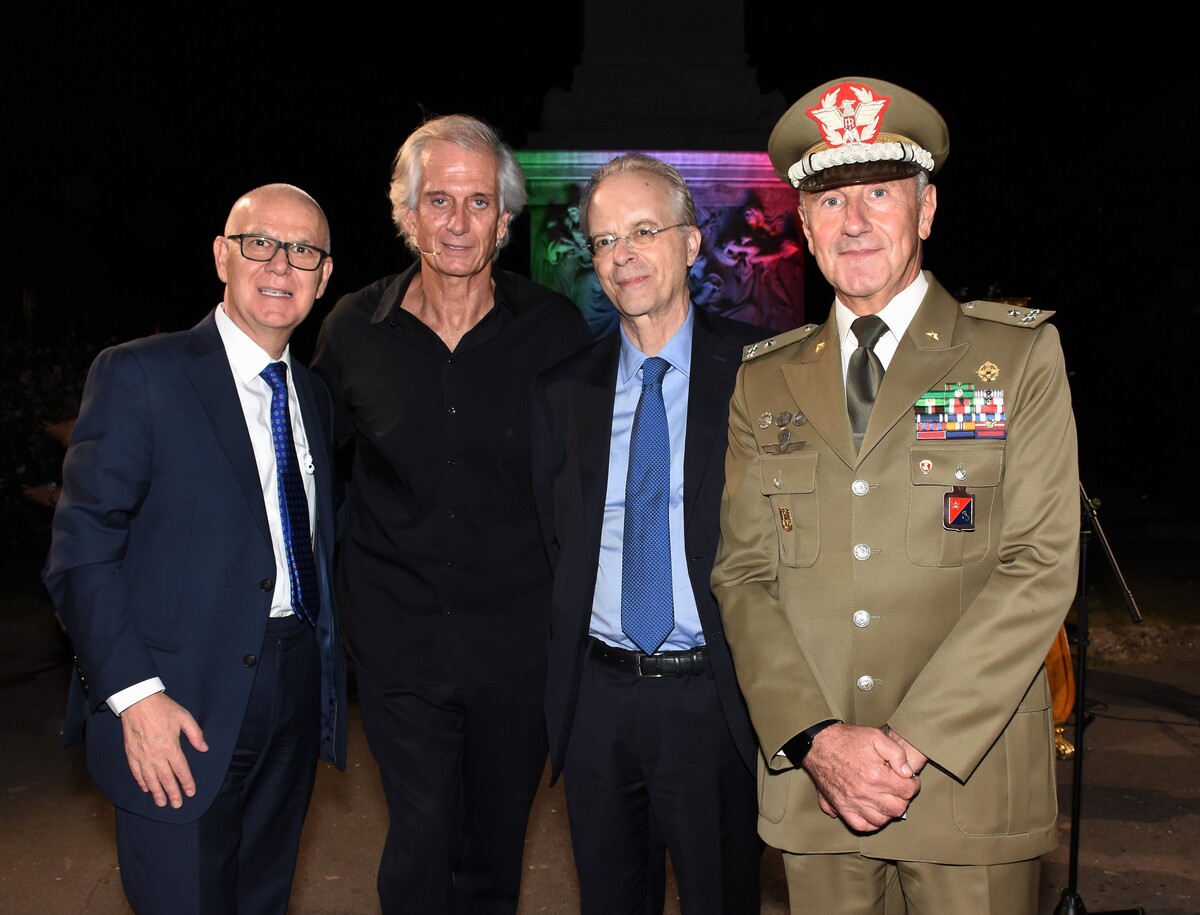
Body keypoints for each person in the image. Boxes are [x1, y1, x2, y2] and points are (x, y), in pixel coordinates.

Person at [711, 76, 1081, 914]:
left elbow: (1040, 562)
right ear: (803, 228)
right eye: (832, 200)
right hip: (820, 791)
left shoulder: (1014, 358)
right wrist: (816, 738)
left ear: (926, 209)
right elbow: (742, 575)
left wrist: (910, 743)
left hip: (968, 781)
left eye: (880, 192)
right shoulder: (764, 382)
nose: (855, 220)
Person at [310, 113, 592, 914]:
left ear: (505, 220)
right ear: (406, 214)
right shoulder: (353, 333)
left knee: (495, 848)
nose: (458, 223)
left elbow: (583, 484)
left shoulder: (555, 332)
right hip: (400, 645)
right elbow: (310, 471)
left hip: (518, 646)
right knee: (422, 837)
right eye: (439, 201)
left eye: (478, 202)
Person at [44, 183, 348, 914]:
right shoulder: (140, 373)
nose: (281, 262)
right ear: (222, 255)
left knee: (262, 898)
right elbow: (81, 551)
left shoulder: (313, 397)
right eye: (260, 243)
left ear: (325, 275)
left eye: (303, 249)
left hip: (293, 691)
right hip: (176, 707)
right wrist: (134, 699)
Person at [531, 152, 767, 914]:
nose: (621, 255)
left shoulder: (763, 375)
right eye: (603, 240)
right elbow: (552, 541)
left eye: (642, 231)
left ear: (692, 244)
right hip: (597, 702)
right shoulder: (564, 390)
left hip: (714, 700)